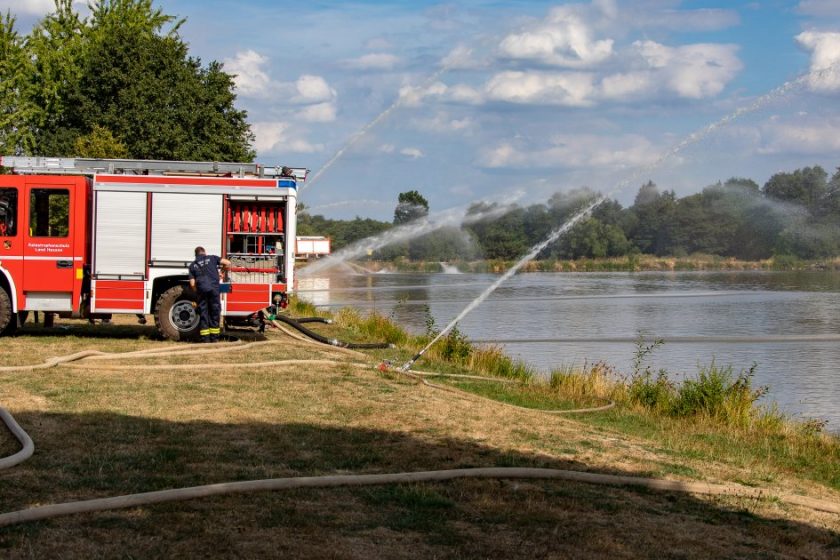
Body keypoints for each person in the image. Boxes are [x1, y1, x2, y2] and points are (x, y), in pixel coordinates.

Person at [188, 246, 230, 343]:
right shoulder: (212, 258)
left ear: (195, 255)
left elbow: (192, 284)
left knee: (204, 313)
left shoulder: (192, 265)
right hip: (214, 289)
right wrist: (222, 272)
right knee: (214, 312)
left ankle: (205, 339)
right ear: (204, 252)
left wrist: (197, 292)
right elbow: (228, 263)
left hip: (202, 291)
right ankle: (214, 338)